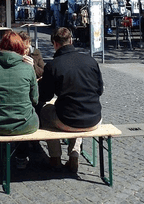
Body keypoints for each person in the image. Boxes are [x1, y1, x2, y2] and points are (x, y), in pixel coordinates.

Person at [38, 27, 103, 173]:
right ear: (71, 40)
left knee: (45, 111)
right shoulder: (90, 61)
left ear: (55, 44)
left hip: (68, 120)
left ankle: (55, 157)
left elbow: (44, 97)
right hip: (94, 118)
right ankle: (74, 154)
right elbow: (99, 90)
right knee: (76, 108)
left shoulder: (53, 66)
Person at [0, 31, 39, 175]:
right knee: (26, 115)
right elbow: (35, 99)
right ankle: (21, 157)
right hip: (25, 124)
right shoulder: (28, 69)